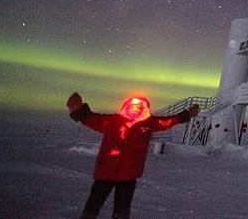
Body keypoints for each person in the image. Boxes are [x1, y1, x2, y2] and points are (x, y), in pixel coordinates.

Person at [67, 92, 199, 219]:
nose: (135, 108)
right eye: (133, 105)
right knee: (92, 206)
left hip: (128, 175)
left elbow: (168, 121)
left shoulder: (148, 123)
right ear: (126, 106)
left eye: (139, 106)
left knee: (122, 210)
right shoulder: (113, 121)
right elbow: (92, 119)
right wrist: (78, 109)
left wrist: (187, 114)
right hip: (106, 172)